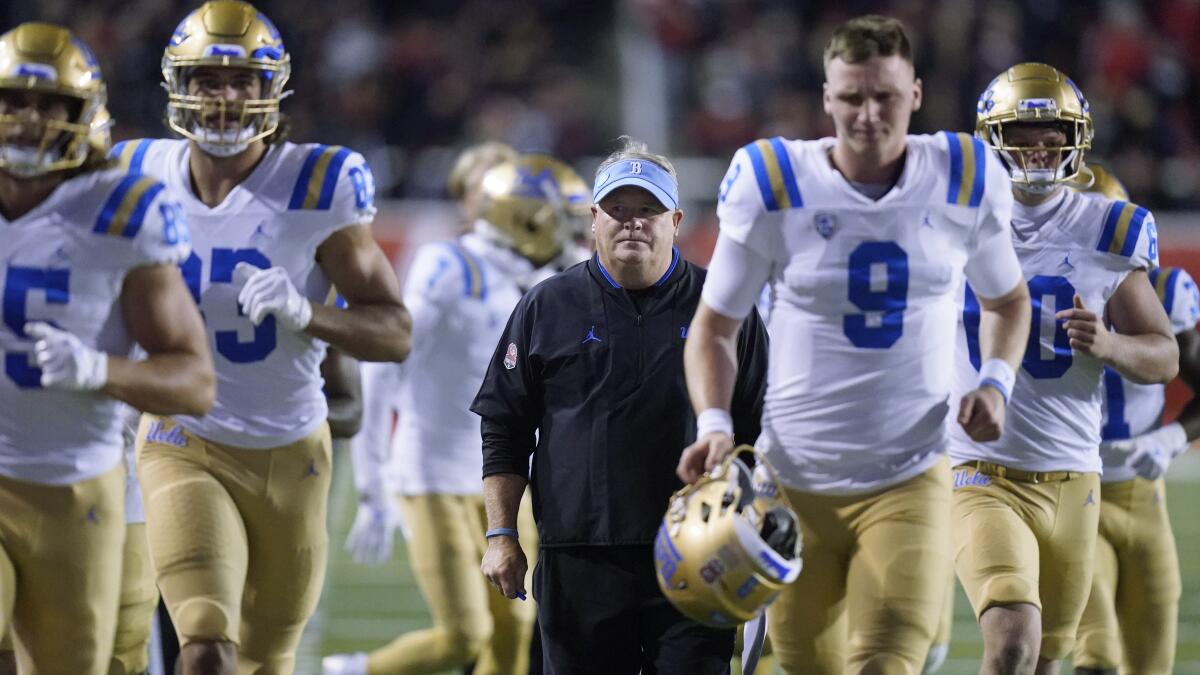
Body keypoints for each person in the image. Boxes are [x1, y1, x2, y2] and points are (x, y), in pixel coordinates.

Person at [678, 14, 1032, 673]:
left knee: (884, 661)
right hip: (792, 482)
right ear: (826, 98)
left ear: (916, 95)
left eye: (886, 96)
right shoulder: (774, 180)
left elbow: (1008, 301)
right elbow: (714, 327)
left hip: (909, 473)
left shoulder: (963, 173)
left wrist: (996, 381)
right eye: (851, 98)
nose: (868, 114)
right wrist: (716, 422)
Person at [117, 1, 412, 672]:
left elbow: (394, 332)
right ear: (177, 86)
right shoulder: (134, 170)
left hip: (289, 450)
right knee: (205, 647)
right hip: (180, 438)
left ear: (270, 88)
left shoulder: (319, 186)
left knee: (265, 659)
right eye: (207, 80)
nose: (224, 97)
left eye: (243, 80)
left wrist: (309, 315)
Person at [473, 136, 768, 673]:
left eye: (648, 209)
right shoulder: (546, 304)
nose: (632, 221)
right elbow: (504, 428)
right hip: (577, 557)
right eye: (618, 208)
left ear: (676, 220)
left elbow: (759, 430)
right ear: (593, 219)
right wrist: (501, 535)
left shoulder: (723, 308)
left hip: (697, 552)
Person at [322, 149, 589, 675]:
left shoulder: (549, 277)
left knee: (514, 629)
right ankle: (354, 672)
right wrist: (372, 480)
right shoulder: (449, 266)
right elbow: (383, 364)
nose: (567, 232)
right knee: (465, 634)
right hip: (435, 473)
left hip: (508, 477)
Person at [948, 63, 1177, 674]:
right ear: (993, 137)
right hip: (979, 470)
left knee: (1048, 661)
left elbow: (1165, 353)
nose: (1039, 150)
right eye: (1023, 135)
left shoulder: (1108, 225)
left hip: (1075, 473)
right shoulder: (951, 219)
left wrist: (1110, 346)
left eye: (1052, 137)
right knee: (1013, 639)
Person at [0, 22, 215, 673]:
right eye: (13, 100)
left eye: (52, 105)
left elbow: (194, 381)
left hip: (76, 486)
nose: (30, 120)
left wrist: (100, 368)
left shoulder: (120, 209)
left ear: (82, 115)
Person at [1071, 171, 1199, 675]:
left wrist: (1170, 438)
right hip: (1075, 492)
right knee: (1096, 659)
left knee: (1152, 664)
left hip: (1144, 500)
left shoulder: (1166, 294)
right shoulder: (1039, 294)